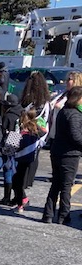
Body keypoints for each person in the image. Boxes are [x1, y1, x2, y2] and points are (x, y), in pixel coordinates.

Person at [41, 86, 82, 224]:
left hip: (57, 151)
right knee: (66, 186)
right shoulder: (74, 114)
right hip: (69, 154)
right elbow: (76, 136)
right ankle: (64, 215)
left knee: (56, 184)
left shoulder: (63, 111)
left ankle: (48, 214)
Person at [20, 70, 51, 189]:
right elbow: (47, 118)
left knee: (23, 155)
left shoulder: (26, 100)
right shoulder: (45, 102)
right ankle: (29, 180)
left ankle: (22, 180)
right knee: (35, 155)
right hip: (39, 131)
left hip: (25, 130)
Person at [12, 108, 45, 213]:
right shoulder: (36, 129)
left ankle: (21, 203)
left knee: (17, 182)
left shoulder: (20, 129)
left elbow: (10, 145)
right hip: (32, 159)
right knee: (19, 182)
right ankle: (21, 201)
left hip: (21, 159)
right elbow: (43, 134)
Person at [0, 93, 23, 205]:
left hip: (11, 139)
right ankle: (17, 197)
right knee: (15, 169)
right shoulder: (22, 112)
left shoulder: (8, 115)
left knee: (8, 168)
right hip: (20, 139)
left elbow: (3, 131)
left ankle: (7, 197)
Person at [47, 70, 82, 144]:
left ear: (76, 80)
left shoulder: (78, 97)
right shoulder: (62, 93)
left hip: (67, 133)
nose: (66, 81)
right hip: (54, 133)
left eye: (69, 79)